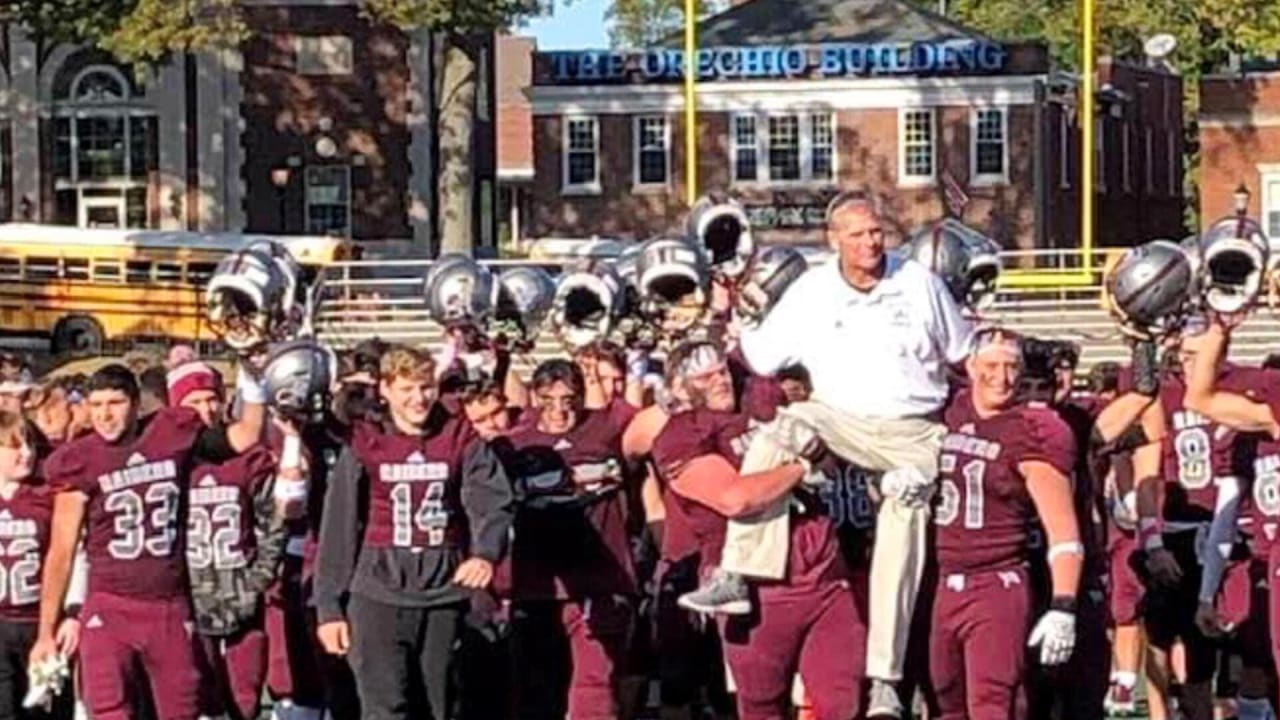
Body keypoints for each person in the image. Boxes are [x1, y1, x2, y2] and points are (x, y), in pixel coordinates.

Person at [682, 190, 973, 718]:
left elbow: (961, 352)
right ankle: (737, 573)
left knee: (905, 511)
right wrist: (728, 311)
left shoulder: (918, 283)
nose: (870, 243)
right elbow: (760, 356)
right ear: (834, 239)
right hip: (840, 420)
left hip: (912, 430)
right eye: (858, 234)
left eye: (876, 231)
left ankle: (885, 678)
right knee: (781, 430)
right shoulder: (812, 290)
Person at [30, 362, 266, 720]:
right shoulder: (79, 460)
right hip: (110, 606)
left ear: (137, 403)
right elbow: (61, 551)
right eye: (96, 405)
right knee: (110, 711)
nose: (105, 415)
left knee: (182, 710)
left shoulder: (169, 433)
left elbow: (246, 436)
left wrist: (254, 382)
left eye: (115, 403)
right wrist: (46, 632)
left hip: (168, 606)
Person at [652, 339, 865, 720]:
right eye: (705, 377)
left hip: (821, 569)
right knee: (762, 707)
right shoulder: (679, 435)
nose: (720, 381)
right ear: (681, 389)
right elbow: (735, 498)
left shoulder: (756, 395)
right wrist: (803, 467)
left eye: (720, 371)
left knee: (842, 702)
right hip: (753, 585)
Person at [313, 346, 515, 720]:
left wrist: (485, 552)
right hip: (379, 593)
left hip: (442, 591)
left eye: (425, 388)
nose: (418, 399)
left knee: (439, 707)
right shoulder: (365, 442)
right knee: (386, 708)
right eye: (407, 389)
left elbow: (491, 499)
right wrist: (329, 607)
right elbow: (338, 529)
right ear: (386, 390)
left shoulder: (457, 436)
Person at [928, 329, 1083, 719]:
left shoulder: (1031, 428)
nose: (1003, 376)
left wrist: (1063, 604)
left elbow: (1063, 530)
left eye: (1012, 366)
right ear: (969, 366)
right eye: (992, 365)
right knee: (944, 700)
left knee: (992, 703)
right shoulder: (945, 409)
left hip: (996, 583)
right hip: (939, 581)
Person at [497, 359, 637, 720]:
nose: (559, 409)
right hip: (538, 581)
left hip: (600, 578)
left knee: (596, 685)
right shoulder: (513, 445)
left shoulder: (605, 427)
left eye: (568, 399)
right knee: (538, 687)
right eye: (548, 399)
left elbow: (648, 419)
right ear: (534, 397)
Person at [168, 361, 297, 720]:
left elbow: (274, 519)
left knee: (245, 697)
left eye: (211, 399)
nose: (205, 409)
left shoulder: (246, 458)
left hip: (240, 588)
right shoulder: (169, 460)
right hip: (189, 594)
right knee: (196, 697)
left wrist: (260, 576)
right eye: (194, 401)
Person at [0, 411, 78, 720]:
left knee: (49, 711)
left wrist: (72, 612)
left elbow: (73, 555)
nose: (27, 453)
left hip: (41, 622)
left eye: (30, 444)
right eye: (15, 446)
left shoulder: (48, 496)